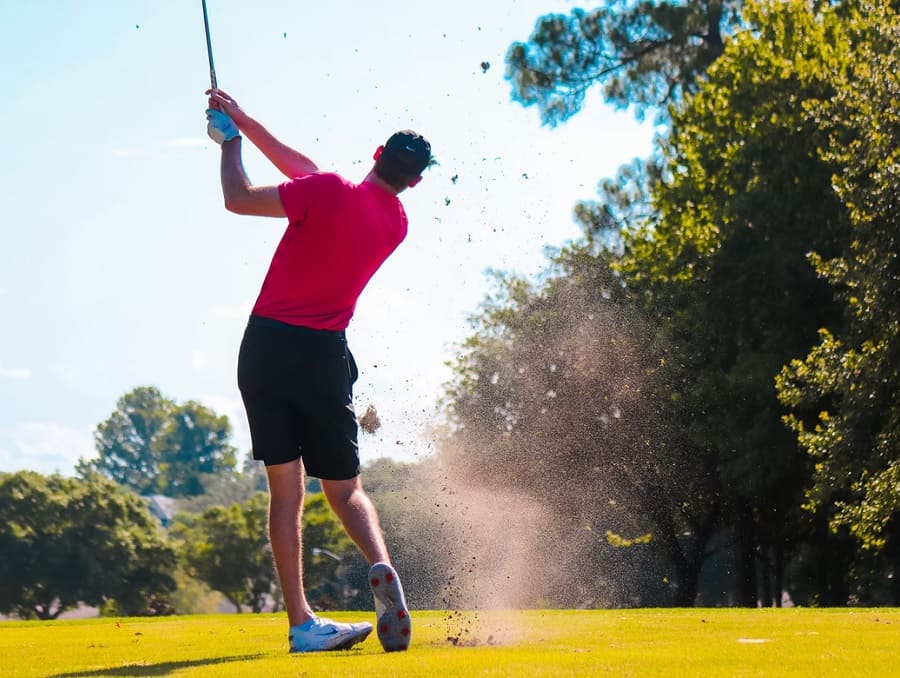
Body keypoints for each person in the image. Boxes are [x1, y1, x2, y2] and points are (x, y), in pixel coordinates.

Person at [205, 89, 430, 654]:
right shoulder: (395, 222)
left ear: (376, 152)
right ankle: (381, 566)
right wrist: (245, 119)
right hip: (323, 355)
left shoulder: (327, 191)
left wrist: (228, 142)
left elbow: (238, 198)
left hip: (265, 349)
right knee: (344, 487)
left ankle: (302, 622)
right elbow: (309, 173)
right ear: (415, 182)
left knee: (286, 491)